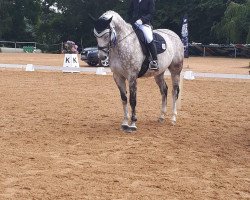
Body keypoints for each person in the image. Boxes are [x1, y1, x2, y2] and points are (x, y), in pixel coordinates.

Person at [128, 0, 158, 70]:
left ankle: (154, 61)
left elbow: (151, 13)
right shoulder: (134, 1)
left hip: (144, 24)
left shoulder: (150, 1)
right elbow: (129, 12)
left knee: (149, 38)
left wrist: (142, 20)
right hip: (133, 24)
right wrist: (129, 21)